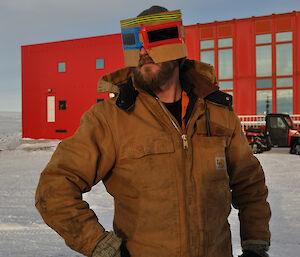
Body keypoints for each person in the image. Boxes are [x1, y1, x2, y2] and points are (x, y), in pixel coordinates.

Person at [35, 6, 271, 257]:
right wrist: (101, 247)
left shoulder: (217, 112)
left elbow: (250, 183)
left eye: (155, 39)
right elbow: (54, 187)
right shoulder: (109, 118)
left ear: (178, 45)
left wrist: (255, 244)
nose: (143, 51)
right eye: (135, 42)